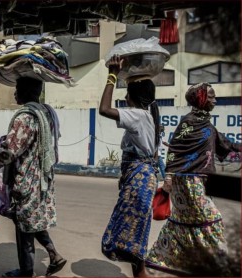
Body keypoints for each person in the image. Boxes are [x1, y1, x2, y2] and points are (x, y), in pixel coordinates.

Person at [0, 77, 66, 277]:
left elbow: (7, 154)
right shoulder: (47, 113)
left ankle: (26, 271)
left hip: (27, 181)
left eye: (17, 88)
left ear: (27, 91)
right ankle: (53, 254)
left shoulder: (25, 117)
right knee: (32, 221)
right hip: (43, 179)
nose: (15, 93)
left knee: (23, 227)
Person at [146, 83, 241, 276]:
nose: (215, 100)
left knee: (184, 221)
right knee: (211, 221)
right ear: (202, 99)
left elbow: (224, 143)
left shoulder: (205, 124)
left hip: (199, 182)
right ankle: (219, 264)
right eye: (212, 96)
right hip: (189, 183)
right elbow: (175, 149)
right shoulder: (188, 121)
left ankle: (161, 258)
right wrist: (169, 177)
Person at [99, 55, 160, 277]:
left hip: (139, 178)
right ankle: (140, 273)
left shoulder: (138, 115)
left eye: (127, 92)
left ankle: (141, 274)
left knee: (132, 230)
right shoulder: (150, 114)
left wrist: (112, 75)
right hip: (142, 177)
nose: (124, 96)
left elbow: (104, 109)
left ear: (134, 96)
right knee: (136, 228)